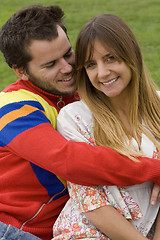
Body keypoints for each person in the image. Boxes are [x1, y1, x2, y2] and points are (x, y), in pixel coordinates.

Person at [0, 5, 160, 240]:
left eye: (67, 54)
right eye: (51, 64)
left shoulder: (80, 92)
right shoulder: (12, 108)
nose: (68, 68)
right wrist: (154, 170)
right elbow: (71, 162)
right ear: (21, 71)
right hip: (16, 230)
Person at [53, 14, 160, 239]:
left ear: (131, 55)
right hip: (87, 233)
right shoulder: (74, 118)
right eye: (91, 64)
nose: (102, 73)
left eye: (110, 58)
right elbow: (90, 201)